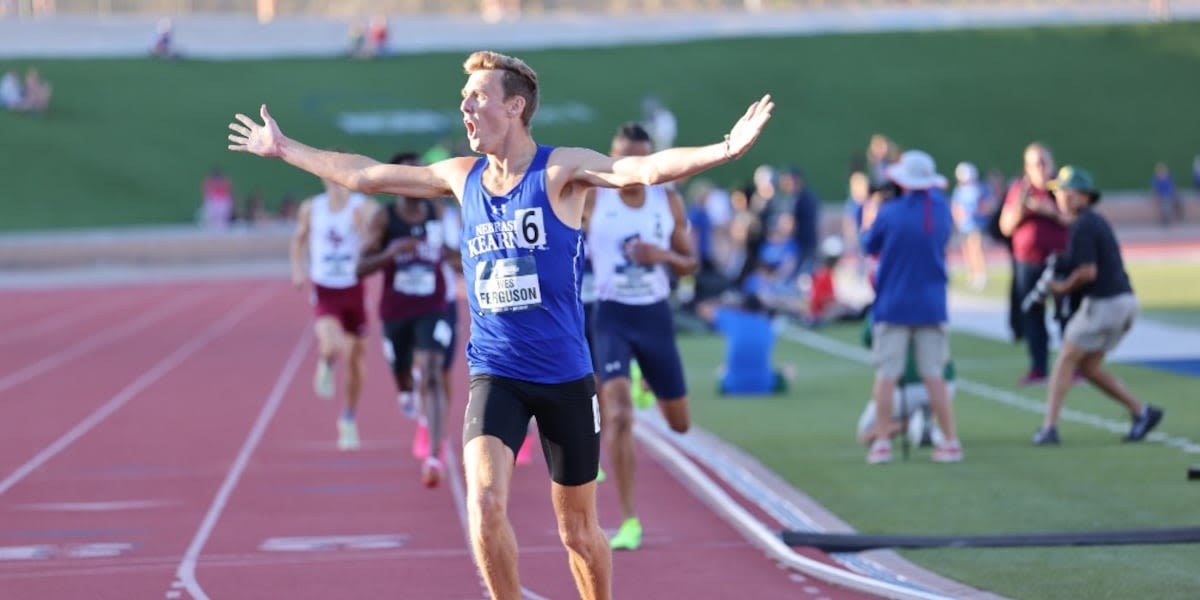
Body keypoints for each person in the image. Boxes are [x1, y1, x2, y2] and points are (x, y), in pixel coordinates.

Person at [227, 50, 773, 600]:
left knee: (578, 532)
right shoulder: (459, 176)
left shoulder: (560, 171)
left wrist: (726, 148)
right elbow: (367, 176)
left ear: (514, 106)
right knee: (484, 504)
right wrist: (284, 149)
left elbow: (644, 170)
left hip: (565, 376)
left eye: (477, 97)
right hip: (496, 373)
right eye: (463, 97)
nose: (464, 107)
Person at [584, 122, 698, 551]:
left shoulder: (666, 201)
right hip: (611, 317)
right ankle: (629, 520)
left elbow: (690, 263)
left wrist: (662, 255)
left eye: (642, 160)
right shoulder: (594, 199)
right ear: (612, 159)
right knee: (618, 414)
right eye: (624, 159)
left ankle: (646, 378)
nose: (633, 168)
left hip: (655, 318)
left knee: (680, 424)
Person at [1032, 166, 1164, 445]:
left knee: (1066, 358)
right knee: (1089, 367)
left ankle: (1049, 427)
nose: (1059, 198)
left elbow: (1088, 272)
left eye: (1064, 192)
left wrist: (1061, 287)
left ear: (1081, 196)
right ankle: (1142, 412)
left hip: (1105, 303)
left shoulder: (1083, 224)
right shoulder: (1092, 222)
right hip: (1125, 302)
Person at [356, 151, 455, 487]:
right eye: (408, 175)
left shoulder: (436, 211)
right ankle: (405, 389)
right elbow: (360, 267)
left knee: (432, 369)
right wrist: (391, 252)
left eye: (420, 174)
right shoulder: (384, 220)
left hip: (432, 305)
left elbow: (453, 255)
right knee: (403, 376)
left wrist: (455, 253)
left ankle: (434, 454)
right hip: (396, 311)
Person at [860, 150, 962, 464]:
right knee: (934, 375)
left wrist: (872, 211)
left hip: (894, 303)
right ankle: (950, 440)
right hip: (931, 304)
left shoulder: (890, 212)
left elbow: (868, 245)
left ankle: (882, 443)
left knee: (887, 375)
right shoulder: (941, 210)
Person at [289, 177, 375, 451]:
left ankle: (348, 418)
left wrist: (365, 232)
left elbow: (377, 237)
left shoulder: (363, 206)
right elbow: (299, 239)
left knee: (355, 360)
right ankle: (326, 362)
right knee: (332, 344)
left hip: (354, 288)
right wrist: (298, 269)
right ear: (323, 179)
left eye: (341, 179)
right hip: (325, 287)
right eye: (331, 179)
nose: (336, 185)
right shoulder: (312, 208)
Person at [999, 143, 1071, 386]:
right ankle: (1039, 368)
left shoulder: (1060, 188)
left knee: (1066, 313)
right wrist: (1022, 210)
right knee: (1032, 313)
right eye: (1033, 163)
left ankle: (1074, 367)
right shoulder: (1020, 190)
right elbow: (1005, 226)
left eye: (1043, 162)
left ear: (1051, 163)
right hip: (1028, 262)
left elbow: (1074, 219)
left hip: (1059, 260)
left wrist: (1048, 211)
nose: (1039, 168)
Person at [856, 313, 953, 449]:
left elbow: (868, 337)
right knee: (934, 371)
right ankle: (947, 437)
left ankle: (910, 423)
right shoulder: (931, 299)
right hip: (945, 384)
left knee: (866, 432)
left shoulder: (888, 301)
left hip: (906, 385)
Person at [697, 293, 788, 395]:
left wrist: (723, 302)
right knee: (785, 370)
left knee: (723, 370)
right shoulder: (768, 326)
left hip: (732, 386)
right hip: (764, 386)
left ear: (743, 307)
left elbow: (703, 309)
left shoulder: (732, 319)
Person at [951, 161, 990, 290]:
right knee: (967, 251)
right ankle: (972, 274)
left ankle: (981, 274)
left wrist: (977, 211)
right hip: (964, 225)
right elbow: (955, 206)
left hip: (976, 224)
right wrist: (958, 218)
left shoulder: (980, 188)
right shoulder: (959, 189)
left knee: (976, 249)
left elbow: (986, 205)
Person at [1150, 162, 1182, 227]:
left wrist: (1175, 193)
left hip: (1171, 195)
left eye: (1164, 170)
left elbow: (1174, 187)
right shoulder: (1156, 179)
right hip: (1163, 196)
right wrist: (1156, 197)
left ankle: (1180, 217)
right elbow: (1155, 190)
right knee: (1166, 204)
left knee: (1179, 200)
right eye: (1161, 170)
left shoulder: (1169, 178)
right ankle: (1166, 220)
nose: (1163, 172)